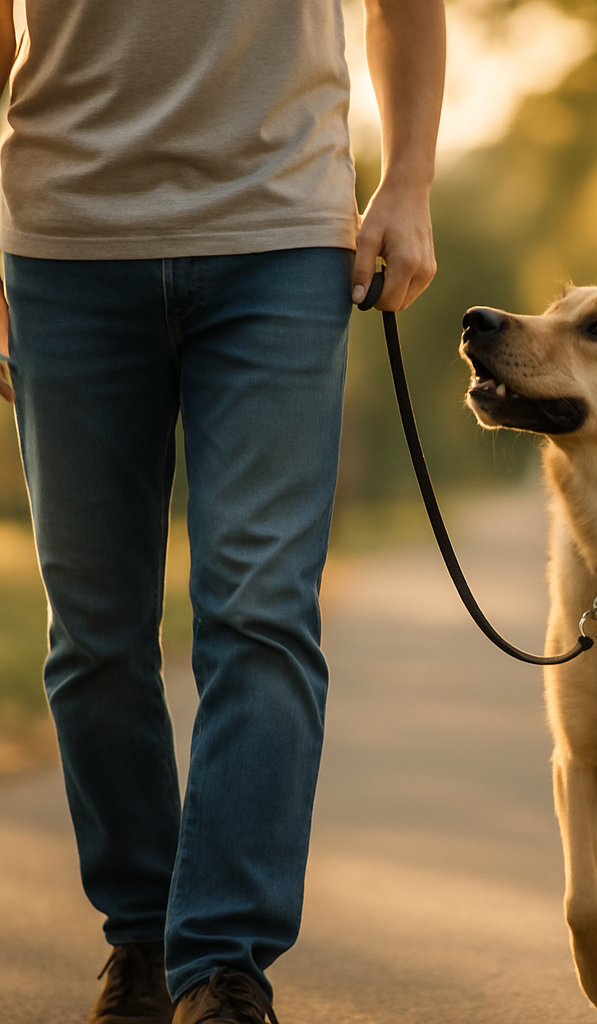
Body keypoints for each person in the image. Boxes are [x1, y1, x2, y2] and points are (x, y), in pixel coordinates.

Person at [0, 1, 445, 1021]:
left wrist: (409, 180)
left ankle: (222, 964)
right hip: (66, 242)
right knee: (97, 635)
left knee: (260, 607)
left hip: (281, 233)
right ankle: (144, 941)